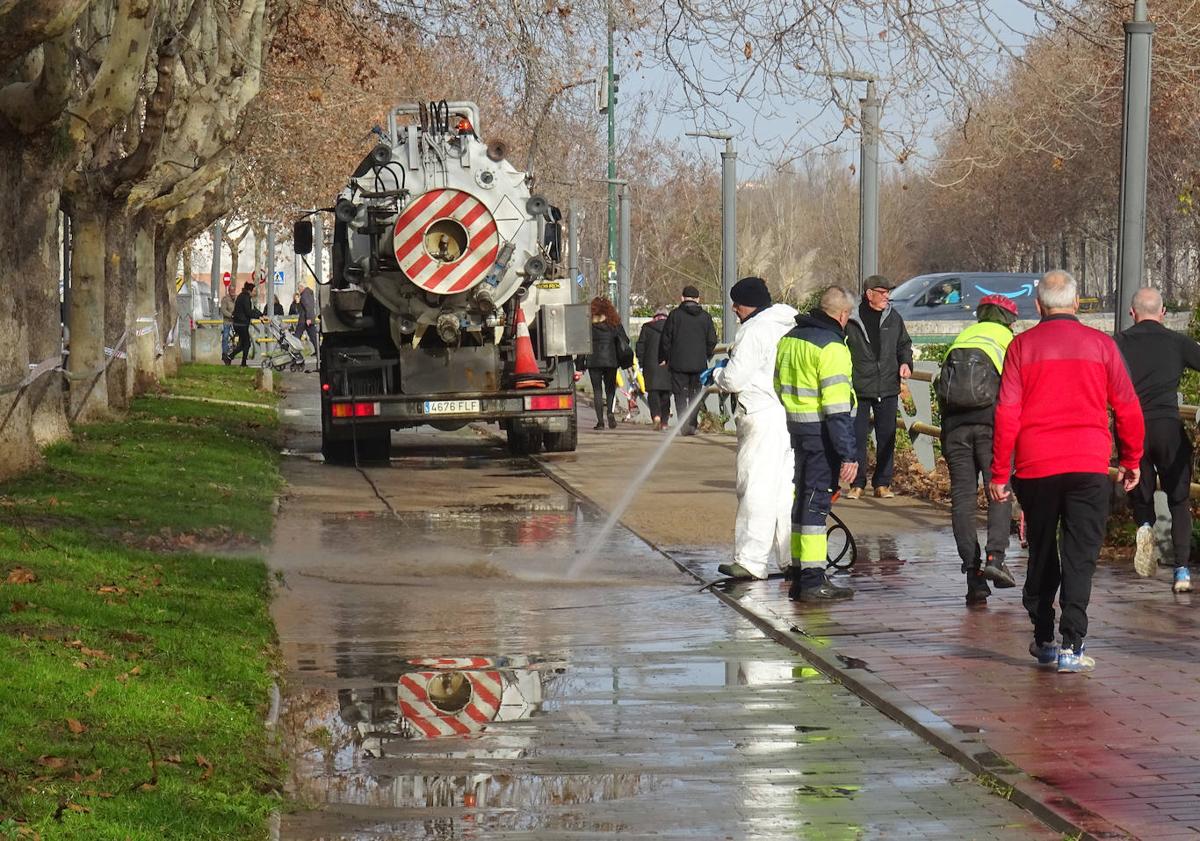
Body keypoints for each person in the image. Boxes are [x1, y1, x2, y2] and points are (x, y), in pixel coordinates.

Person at [989, 270, 1143, 673]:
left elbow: (1007, 412)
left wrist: (999, 471)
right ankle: (1073, 644)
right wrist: (1131, 459)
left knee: (1042, 549)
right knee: (1081, 554)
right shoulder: (1101, 345)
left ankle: (1043, 637)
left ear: (1038, 306)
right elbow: (1127, 406)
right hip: (1089, 465)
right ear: (1077, 304)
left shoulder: (1021, 347)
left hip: (1035, 466)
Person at [705, 277, 798, 580]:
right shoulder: (788, 321)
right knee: (785, 490)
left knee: (755, 487)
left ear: (747, 305)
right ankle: (791, 557)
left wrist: (717, 374)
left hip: (760, 415)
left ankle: (750, 560)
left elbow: (735, 380)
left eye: (736, 303)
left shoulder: (754, 331)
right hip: (790, 415)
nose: (734, 308)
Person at [775, 285, 859, 601]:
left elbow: (778, 384)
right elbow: (837, 409)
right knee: (816, 503)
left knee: (802, 499)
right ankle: (812, 579)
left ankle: (800, 570)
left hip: (797, 430)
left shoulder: (790, 339)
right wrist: (848, 454)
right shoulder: (833, 348)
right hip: (822, 436)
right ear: (842, 314)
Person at [1116, 286, 1200, 592]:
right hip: (1167, 425)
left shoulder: (1119, 343)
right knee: (1179, 499)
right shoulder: (1177, 342)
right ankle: (1181, 571)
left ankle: (1146, 524)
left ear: (1132, 313)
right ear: (1162, 312)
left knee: (1138, 486)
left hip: (1132, 425)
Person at [938, 294, 1020, 605]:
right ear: (1008, 319)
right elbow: (1015, 389)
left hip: (955, 429)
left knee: (963, 498)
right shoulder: (1008, 341)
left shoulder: (962, 338)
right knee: (998, 489)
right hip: (991, 426)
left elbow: (941, 386)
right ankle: (995, 559)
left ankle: (973, 576)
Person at [845, 275, 913, 499]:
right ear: (869, 294)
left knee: (887, 436)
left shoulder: (894, 317)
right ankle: (857, 483)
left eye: (888, 293)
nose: (887, 297)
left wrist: (905, 362)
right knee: (857, 437)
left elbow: (904, 344)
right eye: (882, 293)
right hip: (858, 386)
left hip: (887, 386)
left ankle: (882, 484)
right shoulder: (852, 319)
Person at [659, 284, 717, 436]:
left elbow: (666, 339)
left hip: (678, 362)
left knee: (679, 394)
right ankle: (692, 422)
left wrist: (664, 357)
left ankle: (683, 423)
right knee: (695, 393)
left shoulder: (675, 315)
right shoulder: (706, 317)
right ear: (698, 299)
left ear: (682, 298)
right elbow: (712, 340)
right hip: (698, 363)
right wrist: (706, 354)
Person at [576, 297, 629, 430]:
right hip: (611, 361)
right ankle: (610, 413)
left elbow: (583, 345)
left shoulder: (588, 324)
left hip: (594, 362)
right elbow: (625, 340)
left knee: (597, 391)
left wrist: (580, 365)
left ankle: (600, 422)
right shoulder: (614, 323)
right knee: (610, 389)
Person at [635, 308, 672, 430]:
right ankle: (665, 422)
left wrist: (641, 362)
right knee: (666, 394)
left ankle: (656, 416)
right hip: (667, 364)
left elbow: (640, 346)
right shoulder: (671, 327)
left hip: (650, 365)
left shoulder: (647, 328)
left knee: (653, 392)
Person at [225, 281, 265, 367]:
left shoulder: (244, 297)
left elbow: (253, 309)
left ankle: (230, 357)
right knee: (246, 343)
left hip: (240, 324)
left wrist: (261, 315)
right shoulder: (245, 298)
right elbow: (248, 312)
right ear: (249, 291)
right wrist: (259, 317)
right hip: (241, 324)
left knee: (243, 344)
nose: (255, 292)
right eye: (254, 291)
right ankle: (242, 363)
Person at [294, 285, 319, 360]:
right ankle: (318, 351)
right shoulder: (309, 293)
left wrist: (308, 318)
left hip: (304, 319)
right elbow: (309, 307)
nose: (298, 291)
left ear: (302, 287)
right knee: (313, 336)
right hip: (309, 319)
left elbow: (307, 306)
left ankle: (295, 352)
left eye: (298, 289)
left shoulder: (304, 295)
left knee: (297, 336)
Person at [219, 282, 236, 359]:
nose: (232, 292)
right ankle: (224, 353)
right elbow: (223, 310)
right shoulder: (225, 299)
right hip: (227, 321)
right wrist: (230, 315)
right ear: (229, 291)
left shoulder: (237, 299)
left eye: (233, 290)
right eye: (231, 290)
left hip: (235, 321)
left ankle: (235, 351)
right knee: (225, 336)